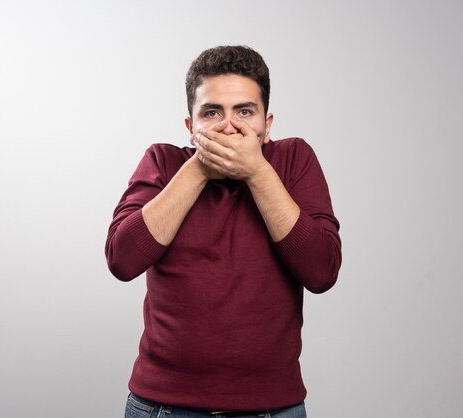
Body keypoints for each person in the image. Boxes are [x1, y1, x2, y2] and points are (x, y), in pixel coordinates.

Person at [105, 45, 341, 418]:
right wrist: (199, 168)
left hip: (273, 407)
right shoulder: (163, 162)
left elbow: (322, 271)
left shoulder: (294, 159)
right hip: (164, 406)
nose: (228, 126)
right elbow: (122, 259)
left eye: (244, 112)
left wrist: (257, 171)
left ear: (268, 123)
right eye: (211, 112)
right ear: (190, 126)